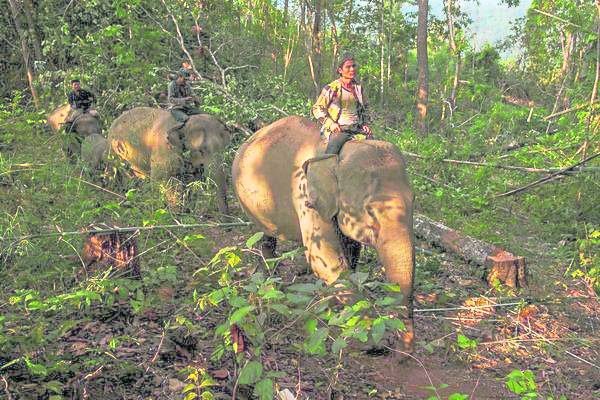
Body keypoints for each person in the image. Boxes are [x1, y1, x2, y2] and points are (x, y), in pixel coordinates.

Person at [311, 54, 372, 155]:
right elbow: (317, 108)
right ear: (340, 70)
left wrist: (365, 123)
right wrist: (331, 124)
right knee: (332, 152)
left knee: (375, 149)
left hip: (357, 128)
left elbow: (366, 108)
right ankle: (324, 169)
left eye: (353, 66)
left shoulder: (359, 89)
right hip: (340, 129)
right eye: (348, 67)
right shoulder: (331, 88)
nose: (352, 69)